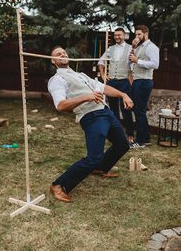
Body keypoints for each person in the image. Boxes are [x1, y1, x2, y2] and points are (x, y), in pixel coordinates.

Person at [48, 46, 133, 202]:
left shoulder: (80, 75)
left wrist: (123, 94)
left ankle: (101, 168)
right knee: (93, 157)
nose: (63, 54)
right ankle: (59, 185)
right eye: (58, 54)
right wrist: (85, 97)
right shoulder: (57, 80)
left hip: (105, 112)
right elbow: (60, 105)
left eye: (64, 52)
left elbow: (103, 88)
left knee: (122, 144)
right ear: (54, 61)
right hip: (91, 117)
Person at [98, 27, 134, 142]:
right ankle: (118, 134)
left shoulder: (130, 49)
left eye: (119, 35)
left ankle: (130, 134)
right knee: (113, 109)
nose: (117, 37)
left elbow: (133, 68)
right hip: (112, 82)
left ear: (124, 36)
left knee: (126, 108)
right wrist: (103, 75)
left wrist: (131, 83)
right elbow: (101, 61)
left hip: (124, 81)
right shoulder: (110, 49)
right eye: (115, 35)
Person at [129, 25, 159, 148]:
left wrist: (137, 61)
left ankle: (141, 140)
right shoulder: (140, 47)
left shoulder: (152, 47)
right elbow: (132, 61)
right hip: (137, 80)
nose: (137, 37)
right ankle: (145, 138)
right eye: (136, 34)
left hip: (144, 81)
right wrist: (133, 50)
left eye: (139, 34)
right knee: (138, 110)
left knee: (139, 111)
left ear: (146, 34)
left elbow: (155, 64)